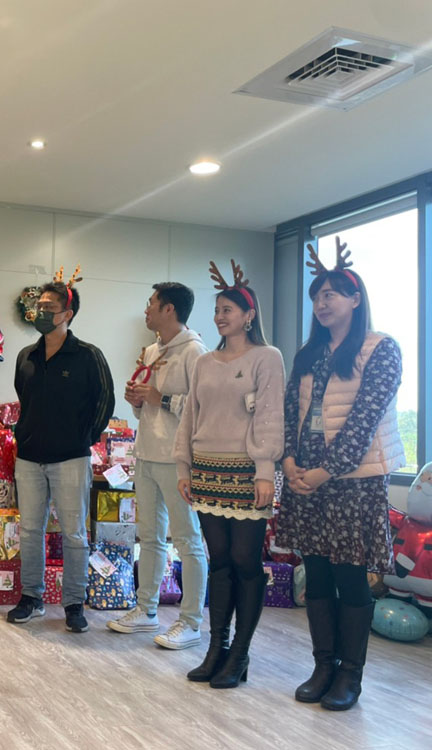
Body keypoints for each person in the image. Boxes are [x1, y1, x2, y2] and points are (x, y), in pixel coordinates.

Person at [275, 241, 403, 711]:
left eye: (330, 294)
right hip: (305, 477)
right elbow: (289, 412)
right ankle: (322, 666)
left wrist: (326, 471)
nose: (321, 302)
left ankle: (350, 674)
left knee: (350, 578)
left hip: (353, 481)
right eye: (316, 296)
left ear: (355, 299)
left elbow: (365, 419)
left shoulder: (380, 348)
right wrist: (289, 462)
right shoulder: (309, 352)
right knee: (317, 575)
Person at [174, 260, 284, 688]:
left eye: (228, 310)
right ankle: (216, 647)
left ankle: (240, 652)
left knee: (244, 561)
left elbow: (270, 417)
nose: (220, 317)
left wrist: (265, 470)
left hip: (247, 473)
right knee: (219, 561)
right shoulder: (206, 361)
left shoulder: (267, 358)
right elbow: (190, 415)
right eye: (217, 310)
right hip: (206, 471)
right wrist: (184, 465)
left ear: (249, 315)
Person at [7, 271, 115, 633]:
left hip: (71, 457)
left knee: (74, 534)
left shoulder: (88, 355)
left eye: (48, 307)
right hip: (29, 457)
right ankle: (31, 597)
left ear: (67, 313)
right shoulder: (26, 355)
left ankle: (73, 603)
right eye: (38, 306)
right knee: (29, 531)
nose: (40, 312)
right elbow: (24, 397)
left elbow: (105, 401)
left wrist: (83, 437)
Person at [110, 282, 208, 649]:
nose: (146, 310)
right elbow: (146, 407)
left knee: (187, 539)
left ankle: (191, 621)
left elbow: (201, 408)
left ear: (169, 309)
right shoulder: (152, 350)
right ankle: (146, 609)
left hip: (177, 459)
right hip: (146, 452)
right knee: (148, 536)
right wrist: (136, 400)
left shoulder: (195, 351)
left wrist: (159, 398)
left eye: (151, 303)